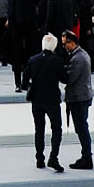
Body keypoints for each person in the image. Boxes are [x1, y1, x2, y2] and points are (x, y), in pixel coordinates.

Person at [24, 34, 65, 172]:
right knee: (56, 128)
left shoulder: (32, 60)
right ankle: (53, 157)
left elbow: (25, 81)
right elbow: (65, 79)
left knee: (39, 129)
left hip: (36, 99)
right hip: (52, 99)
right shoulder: (56, 61)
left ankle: (39, 158)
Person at [63, 33, 94, 168]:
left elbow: (70, 78)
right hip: (82, 96)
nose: (64, 47)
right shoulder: (82, 55)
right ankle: (86, 155)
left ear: (73, 43)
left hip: (78, 98)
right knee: (82, 128)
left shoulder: (78, 59)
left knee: (82, 129)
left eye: (65, 43)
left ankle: (87, 157)